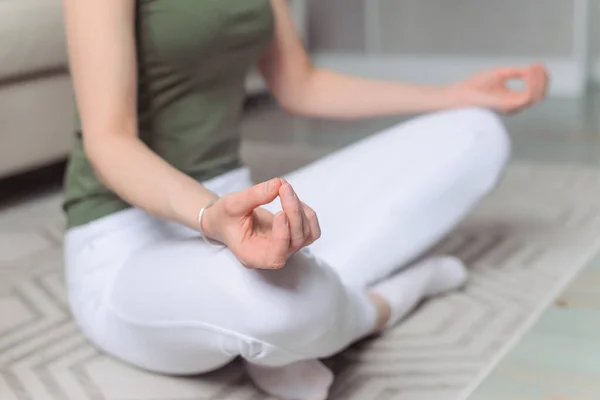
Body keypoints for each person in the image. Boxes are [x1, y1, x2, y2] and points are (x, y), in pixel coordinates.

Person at [62, 1, 549, 399]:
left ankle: (286, 337)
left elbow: (300, 84)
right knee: (280, 304)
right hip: (125, 241)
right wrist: (213, 217)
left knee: (475, 133)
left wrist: (452, 95)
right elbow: (109, 142)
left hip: (239, 211)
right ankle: (382, 302)